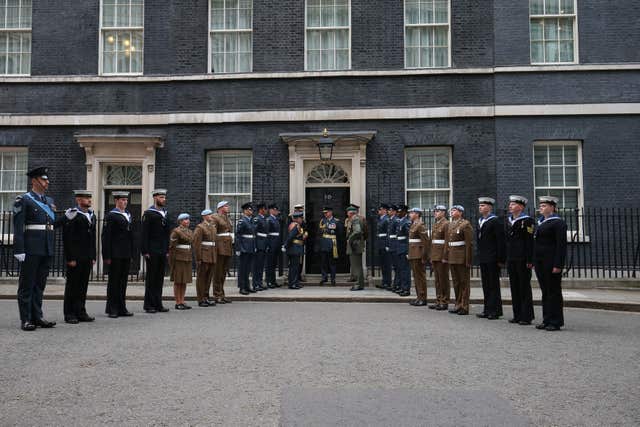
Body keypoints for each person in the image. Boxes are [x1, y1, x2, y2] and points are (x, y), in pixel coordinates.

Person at [13, 166, 66, 331]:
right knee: (27, 285)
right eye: (44, 179)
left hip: (46, 248)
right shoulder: (24, 200)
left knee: (39, 285)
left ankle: (37, 316)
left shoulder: (48, 202)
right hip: (31, 248)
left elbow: (51, 226)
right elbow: (18, 227)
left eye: (47, 179)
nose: (47, 182)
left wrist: (65, 218)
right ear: (34, 180)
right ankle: (26, 319)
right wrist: (19, 249)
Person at [62, 190, 97, 324]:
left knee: (83, 286)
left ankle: (80, 311)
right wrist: (70, 258)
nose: (89, 200)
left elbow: (93, 238)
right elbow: (68, 238)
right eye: (86, 198)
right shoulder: (73, 214)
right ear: (78, 200)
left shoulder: (91, 215)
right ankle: (69, 313)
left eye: (89, 197)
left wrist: (93, 255)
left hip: (87, 256)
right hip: (75, 257)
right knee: (72, 286)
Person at [534, 196, 568, 331]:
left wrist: (558, 265)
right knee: (545, 291)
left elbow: (561, 246)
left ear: (552, 207)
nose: (541, 208)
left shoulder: (558, 223)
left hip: (551, 262)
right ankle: (546, 319)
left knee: (553, 291)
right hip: (541, 262)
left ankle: (555, 321)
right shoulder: (541, 222)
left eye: (544, 205)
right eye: (540, 205)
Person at [102, 191, 135, 318]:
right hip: (115, 254)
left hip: (125, 253)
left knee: (123, 282)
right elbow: (106, 237)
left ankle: (122, 307)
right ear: (116, 201)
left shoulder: (127, 215)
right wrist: (107, 256)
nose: (125, 202)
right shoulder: (111, 215)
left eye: (126, 200)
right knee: (114, 282)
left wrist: (131, 253)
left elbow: (130, 236)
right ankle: (112, 308)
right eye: (122, 200)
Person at [505, 195, 535, 325]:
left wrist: (530, 259)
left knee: (524, 287)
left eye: (513, 204)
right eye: (510, 204)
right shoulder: (509, 220)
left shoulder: (527, 221)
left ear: (521, 206)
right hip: (512, 257)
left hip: (523, 258)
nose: (510, 206)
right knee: (514, 286)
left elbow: (529, 242)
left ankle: (526, 316)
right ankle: (517, 314)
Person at [141, 189, 172, 314]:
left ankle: (158, 303)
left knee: (159, 278)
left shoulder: (165, 213)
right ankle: (149, 304)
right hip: (152, 250)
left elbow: (167, 234)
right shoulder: (149, 213)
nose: (163, 199)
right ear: (155, 198)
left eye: (164, 197)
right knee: (151, 278)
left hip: (162, 250)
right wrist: (145, 250)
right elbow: (144, 233)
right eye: (161, 197)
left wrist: (167, 249)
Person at [476, 197, 505, 320]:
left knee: (493, 285)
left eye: (483, 205)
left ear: (489, 207)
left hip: (493, 257)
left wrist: (500, 259)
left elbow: (500, 241)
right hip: (484, 257)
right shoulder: (481, 220)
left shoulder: (495, 221)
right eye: (480, 205)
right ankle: (487, 309)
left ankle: (495, 310)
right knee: (486, 284)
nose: (480, 207)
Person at [444, 205, 473, 315]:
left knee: (464, 282)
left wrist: (468, 260)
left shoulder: (465, 224)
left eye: (454, 210)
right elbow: (448, 242)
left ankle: (464, 306)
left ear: (460, 212)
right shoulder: (450, 225)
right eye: (451, 210)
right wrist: (446, 256)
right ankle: (458, 304)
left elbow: (469, 244)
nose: (451, 212)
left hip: (461, 257)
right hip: (452, 256)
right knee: (456, 282)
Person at [169, 213, 194, 310]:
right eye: (185, 219)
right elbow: (172, 247)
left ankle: (182, 300)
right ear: (180, 221)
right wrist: (172, 261)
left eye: (188, 219)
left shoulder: (189, 231)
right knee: (178, 281)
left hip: (187, 257)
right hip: (178, 258)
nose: (188, 221)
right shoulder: (176, 231)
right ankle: (178, 302)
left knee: (184, 281)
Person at [193, 209, 217, 307]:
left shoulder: (213, 227)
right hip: (203, 255)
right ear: (204, 216)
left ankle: (206, 297)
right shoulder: (200, 227)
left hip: (211, 255)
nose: (211, 216)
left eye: (211, 214)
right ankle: (201, 298)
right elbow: (196, 243)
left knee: (208, 278)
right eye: (209, 214)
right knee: (201, 278)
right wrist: (198, 258)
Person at [428, 205, 450, 310]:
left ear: (443, 212)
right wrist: (431, 256)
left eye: (437, 211)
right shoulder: (436, 224)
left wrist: (445, 256)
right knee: (437, 280)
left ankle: (444, 301)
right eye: (435, 211)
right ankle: (438, 299)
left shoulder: (446, 224)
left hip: (441, 255)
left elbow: (446, 242)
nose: (435, 213)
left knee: (443, 279)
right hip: (435, 255)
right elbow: (433, 242)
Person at [407, 207, 430, 306]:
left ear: (417, 214)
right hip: (413, 253)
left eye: (412, 213)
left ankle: (423, 298)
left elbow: (426, 242)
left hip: (418, 254)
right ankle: (419, 297)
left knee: (420, 277)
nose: (410, 214)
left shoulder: (420, 225)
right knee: (416, 277)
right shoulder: (413, 224)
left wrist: (424, 256)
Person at [211, 200, 233, 304]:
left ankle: (222, 293)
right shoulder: (215, 217)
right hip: (219, 247)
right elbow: (213, 233)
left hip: (227, 247)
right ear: (220, 208)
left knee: (223, 272)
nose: (228, 207)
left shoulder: (227, 218)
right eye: (226, 206)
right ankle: (217, 294)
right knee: (218, 272)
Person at [236, 202, 256, 295]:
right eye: (249, 209)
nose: (251, 211)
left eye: (251, 209)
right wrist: (238, 248)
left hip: (250, 246)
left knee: (248, 268)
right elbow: (238, 235)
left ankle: (247, 286)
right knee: (242, 268)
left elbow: (253, 235)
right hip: (244, 247)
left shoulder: (251, 220)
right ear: (244, 211)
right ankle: (242, 287)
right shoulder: (242, 221)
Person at [318, 206, 340, 286]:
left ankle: (333, 279)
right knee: (323, 262)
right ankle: (324, 277)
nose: (325, 214)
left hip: (332, 244)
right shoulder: (322, 221)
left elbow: (340, 234)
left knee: (332, 263)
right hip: (324, 244)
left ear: (331, 212)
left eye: (326, 212)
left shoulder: (336, 221)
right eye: (324, 213)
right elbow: (319, 233)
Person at [346, 204, 365, 291]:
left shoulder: (355, 219)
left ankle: (358, 284)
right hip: (356, 244)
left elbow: (357, 231)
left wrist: (350, 239)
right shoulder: (356, 218)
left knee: (356, 265)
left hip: (355, 245)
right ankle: (359, 283)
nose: (347, 214)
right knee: (357, 265)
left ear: (350, 213)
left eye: (348, 213)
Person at [284, 211, 305, 290]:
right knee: (293, 267)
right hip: (294, 249)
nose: (302, 219)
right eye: (301, 218)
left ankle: (295, 282)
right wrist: (286, 246)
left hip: (296, 248)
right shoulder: (295, 226)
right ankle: (292, 283)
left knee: (296, 267)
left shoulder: (297, 225)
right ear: (297, 219)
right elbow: (290, 237)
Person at [395, 204, 411, 296]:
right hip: (399, 248)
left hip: (404, 249)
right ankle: (402, 287)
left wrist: (408, 251)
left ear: (405, 212)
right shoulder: (400, 222)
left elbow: (409, 237)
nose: (398, 213)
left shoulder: (407, 222)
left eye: (400, 211)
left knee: (405, 270)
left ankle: (406, 289)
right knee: (401, 269)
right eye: (398, 211)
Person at [252, 203, 268, 292]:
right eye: (265, 209)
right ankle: (255, 284)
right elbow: (254, 233)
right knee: (257, 266)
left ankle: (260, 283)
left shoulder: (263, 219)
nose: (266, 211)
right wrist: (255, 245)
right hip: (259, 244)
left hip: (263, 244)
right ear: (261, 210)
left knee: (261, 266)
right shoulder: (257, 219)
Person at [376, 203, 392, 290]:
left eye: (380, 209)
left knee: (386, 264)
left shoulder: (386, 219)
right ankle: (384, 282)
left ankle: (387, 282)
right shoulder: (381, 219)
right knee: (383, 264)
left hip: (384, 244)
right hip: (380, 243)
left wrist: (387, 245)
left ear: (385, 210)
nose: (379, 211)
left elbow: (388, 234)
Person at [265, 204, 281, 288]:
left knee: (274, 264)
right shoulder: (269, 220)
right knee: (269, 264)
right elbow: (267, 234)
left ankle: (273, 281)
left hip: (276, 244)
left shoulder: (276, 219)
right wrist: (267, 245)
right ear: (271, 210)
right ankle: (269, 281)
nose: (277, 211)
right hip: (271, 244)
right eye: (275, 210)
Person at [387, 204, 400, 292]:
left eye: (391, 210)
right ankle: (395, 284)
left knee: (397, 266)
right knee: (395, 266)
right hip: (391, 245)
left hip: (395, 245)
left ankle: (397, 284)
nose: (389, 212)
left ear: (395, 212)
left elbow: (397, 235)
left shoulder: (396, 220)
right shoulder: (391, 220)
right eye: (389, 210)